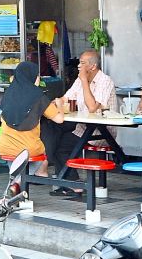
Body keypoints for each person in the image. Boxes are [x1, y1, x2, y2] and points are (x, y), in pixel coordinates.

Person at [42, 50, 114, 192]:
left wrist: (84, 81)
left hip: (101, 131)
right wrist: (49, 105)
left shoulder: (105, 81)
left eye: (82, 63)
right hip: (83, 128)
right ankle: (71, 182)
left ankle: (71, 182)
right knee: (56, 136)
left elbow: (93, 108)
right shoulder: (79, 81)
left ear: (93, 66)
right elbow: (65, 98)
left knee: (62, 145)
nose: (79, 66)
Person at [0, 62, 64, 177]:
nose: (38, 78)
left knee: (17, 166)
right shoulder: (38, 96)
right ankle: (32, 176)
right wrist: (60, 105)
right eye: (37, 75)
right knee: (44, 158)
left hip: (5, 147)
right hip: (29, 150)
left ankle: (16, 181)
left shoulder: (8, 94)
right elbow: (59, 119)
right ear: (32, 77)